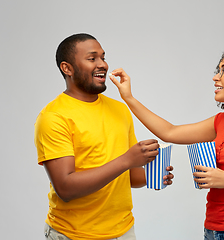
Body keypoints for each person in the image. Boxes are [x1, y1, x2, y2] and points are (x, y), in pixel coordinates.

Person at [110, 37, 224, 240]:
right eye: (219, 70)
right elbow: (169, 132)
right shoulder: (222, 121)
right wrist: (128, 97)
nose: (216, 77)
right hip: (213, 232)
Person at [34, 33, 174, 240]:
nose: (102, 64)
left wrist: (150, 176)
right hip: (74, 235)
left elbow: (129, 175)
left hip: (124, 231)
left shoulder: (119, 109)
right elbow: (65, 188)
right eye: (92, 59)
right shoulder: (53, 117)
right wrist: (128, 159)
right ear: (67, 68)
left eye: (103, 57)